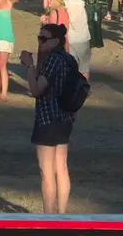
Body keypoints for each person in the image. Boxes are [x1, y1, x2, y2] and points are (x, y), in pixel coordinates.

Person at [18, 22, 78, 213]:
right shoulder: (69, 59)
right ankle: (61, 215)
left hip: (47, 118)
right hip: (65, 118)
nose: (40, 41)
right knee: (61, 168)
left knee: (46, 172)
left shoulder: (52, 60)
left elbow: (36, 90)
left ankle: (49, 217)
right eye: (39, 37)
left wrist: (29, 67)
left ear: (56, 41)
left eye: (44, 38)